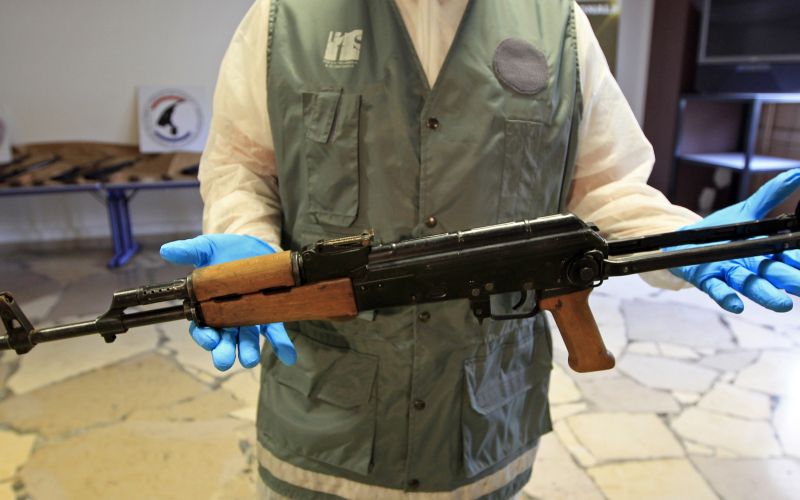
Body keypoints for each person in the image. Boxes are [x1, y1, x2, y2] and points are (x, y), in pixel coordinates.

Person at [160, 1, 800, 498]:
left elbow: (605, 187)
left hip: (484, 421)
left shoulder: (559, 26)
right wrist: (248, 248)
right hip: (327, 425)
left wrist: (685, 241)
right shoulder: (284, 20)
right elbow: (243, 166)